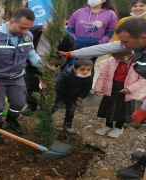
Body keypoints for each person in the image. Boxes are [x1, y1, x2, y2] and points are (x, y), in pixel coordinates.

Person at [58, 17, 146, 179]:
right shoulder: (132, 43)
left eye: (125, 42)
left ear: (143, 38)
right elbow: (103, 48)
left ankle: (141, 169)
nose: (122, 46)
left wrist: (144, 108)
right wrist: (72, 53)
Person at [0, 8, 44, 144]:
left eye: (28, 28)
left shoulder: (28, 36)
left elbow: (31, 54)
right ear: (11, 22)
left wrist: (44, 66)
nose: (25, 31)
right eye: (22, 28)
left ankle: (11, 119)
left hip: (18, 77)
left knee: (19, 103)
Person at [23, 25, 76, 116]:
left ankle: (45, 107)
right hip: (33, 63)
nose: (52, 35)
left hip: (52, 66)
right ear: (43, 28)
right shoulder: (33, 32)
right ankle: (32, 105)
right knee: (31, 85)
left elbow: (69, 55)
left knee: (49, 86)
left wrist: (58, 66)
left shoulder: (67, 38)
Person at [94, 50, 146, 138]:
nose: (118, 60)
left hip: (128, 91)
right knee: (110, 108)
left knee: (123, 110)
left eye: (121, 58)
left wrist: (129, 89)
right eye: (115, 58)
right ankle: (108, 125)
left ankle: (118, 127)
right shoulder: (110, 60)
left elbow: (143, 79)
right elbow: (103, 75)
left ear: (130, 54)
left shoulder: (138, 63)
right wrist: (98, 88)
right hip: (111, 87)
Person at [66, 0, 117, 74]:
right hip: (76, 46)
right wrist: (74, 40)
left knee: (87, 71)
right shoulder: (79, 12)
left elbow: (110, 31)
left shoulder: (110, 14)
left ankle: (86, 85)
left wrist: (101, 42)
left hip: (94, 48)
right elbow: (70, 28)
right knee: (72, 70)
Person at [52, 60, 93, 133]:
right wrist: (53, 83)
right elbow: (59, 78)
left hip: (74, 96)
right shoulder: (66, 73)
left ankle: (67, 123)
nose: (85, 72)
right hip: (62, 93)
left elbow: (87, 87)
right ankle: (46, 117)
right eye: (82, 70)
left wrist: (82, 96)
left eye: (88, 70)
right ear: (74, 69)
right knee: (56, 106)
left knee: (71, 109)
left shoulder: (89, 77)